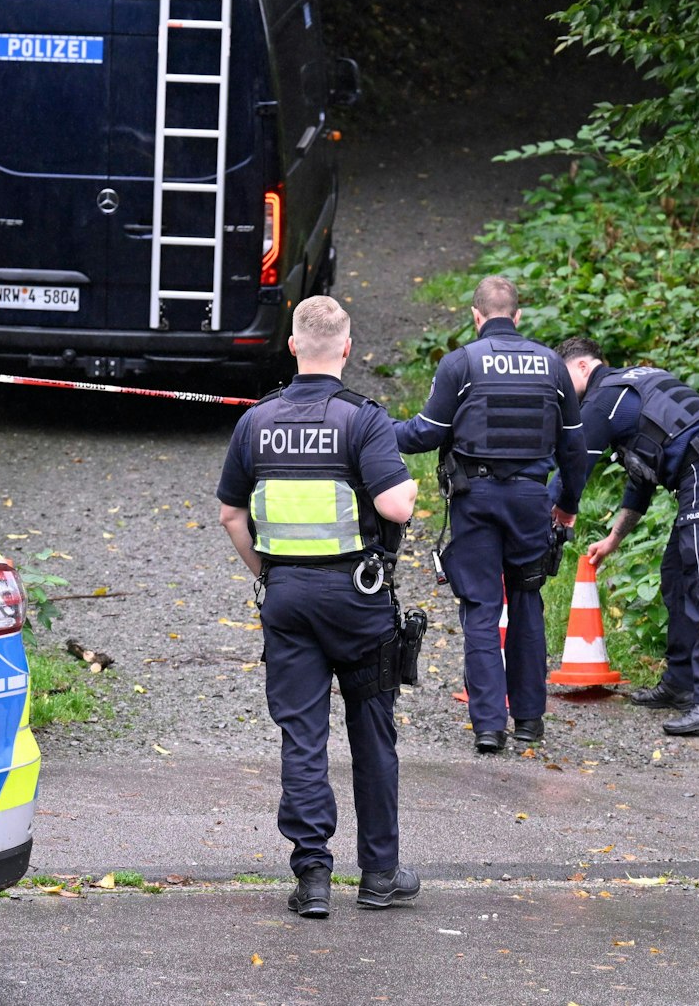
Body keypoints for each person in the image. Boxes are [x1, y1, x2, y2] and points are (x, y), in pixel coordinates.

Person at [218, 296, 421, 918]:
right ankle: (379, 876)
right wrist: (410, 484)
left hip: (287, 599)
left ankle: (311, 879)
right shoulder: (363, 420)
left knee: (302, 737)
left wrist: (271, 575)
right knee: (372, 733)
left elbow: (231, 514)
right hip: (356, 602)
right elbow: (396, 508)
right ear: (347, 348)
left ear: (293, 347)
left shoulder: (257, 422)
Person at [395, 276, 588, 754]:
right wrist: (566, 507)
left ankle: (487, 726)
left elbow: (425, 433)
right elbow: (575, 448)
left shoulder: (461, 363)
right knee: (526, 600)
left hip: (475, 499)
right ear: (518, 316)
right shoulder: (551, 365)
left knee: (482, 608)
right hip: (529, 499)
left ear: (477, 317)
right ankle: (529, 721)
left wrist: (371, 429)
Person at [555, 337, 699, 735]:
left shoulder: (605, 395)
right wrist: (613, 538)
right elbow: (641, 479)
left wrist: (556, 512)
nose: (565, 399)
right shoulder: (632, 388)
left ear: (581, 367)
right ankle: (681, 684)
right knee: (676, 576)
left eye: (563, 382)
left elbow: (575, 466)